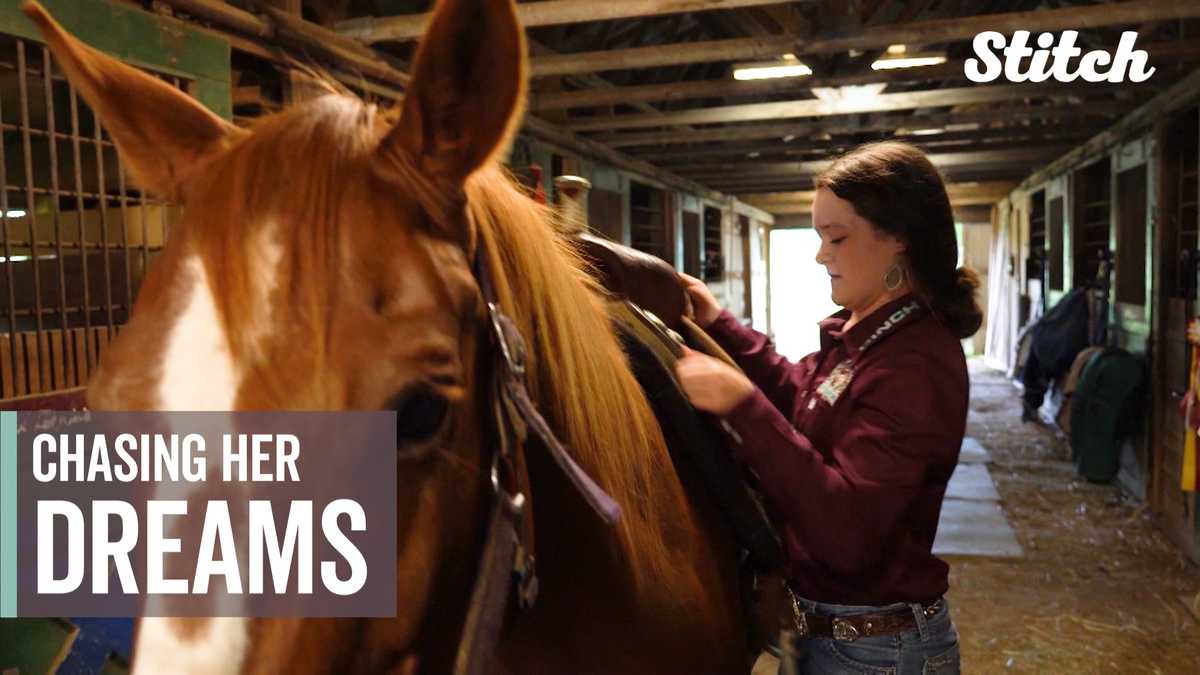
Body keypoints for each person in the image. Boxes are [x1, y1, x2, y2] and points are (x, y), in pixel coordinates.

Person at [675, 141, 981, 675]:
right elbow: (805, 398)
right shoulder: (869, 338)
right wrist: (719, 323)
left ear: (900, 240)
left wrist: (744, 409)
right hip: (834, 636)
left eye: (836, 237)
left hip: (878, 652)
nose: (822, 255)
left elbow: (849, 531)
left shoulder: (915, 364)